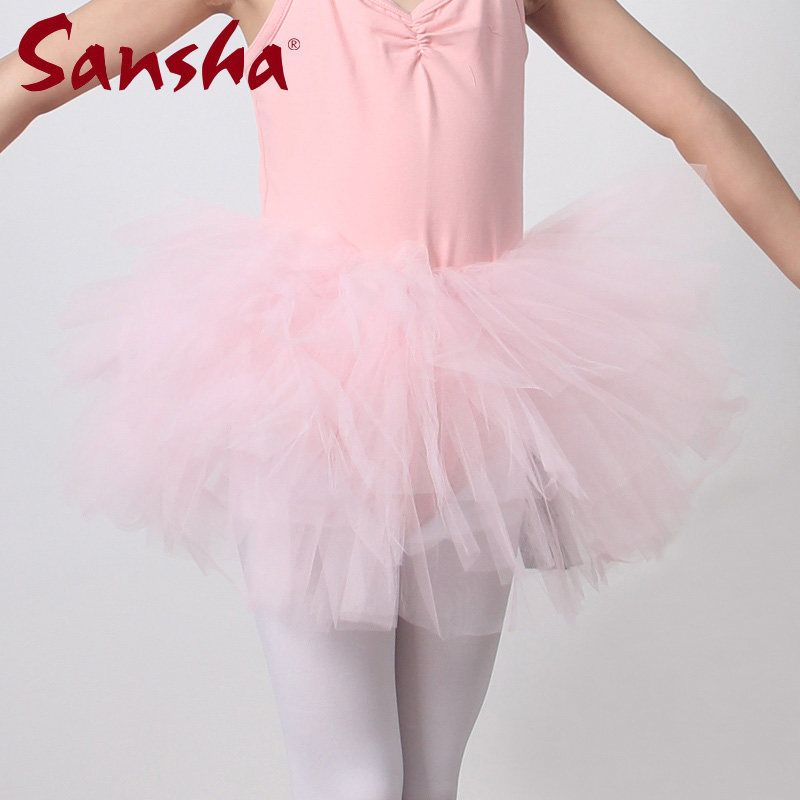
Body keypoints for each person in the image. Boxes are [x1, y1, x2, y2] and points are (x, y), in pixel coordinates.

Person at [1, 1, 798, 798]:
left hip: (477, 405)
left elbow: (694, 115)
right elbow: (30, 81)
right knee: (355, 781)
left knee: (430, 778)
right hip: (310, 407)